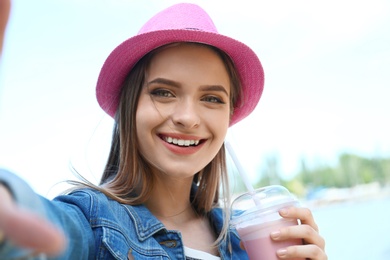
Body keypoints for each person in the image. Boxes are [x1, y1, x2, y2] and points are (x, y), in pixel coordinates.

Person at [0, 3, 327, 259]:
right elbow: (39, 226)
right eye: (164, 92)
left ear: (228, 116)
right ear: (131, 107)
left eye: (211, 98)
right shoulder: (92, 223)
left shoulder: (242, 240)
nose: (188, 117)